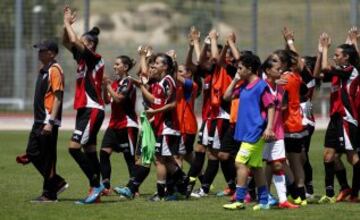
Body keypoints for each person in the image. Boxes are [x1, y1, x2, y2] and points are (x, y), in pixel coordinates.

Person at [63, 6, 105, 204]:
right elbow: (66, 41)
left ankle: (96, 185)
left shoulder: (93, 57)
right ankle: (97, 189)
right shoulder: (82, 59)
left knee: (73, 148)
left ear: (90, 45)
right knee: (89, 151)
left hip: (92, 109)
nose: (79, 41)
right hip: (85, 109)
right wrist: (67, 26)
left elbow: (73, 40)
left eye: (84, 40)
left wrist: (66, 23)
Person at [223, 52, 275, 211]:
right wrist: (235, 80)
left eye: (240, 68)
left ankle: (239, 200)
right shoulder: (243, 85)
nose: (238, 71)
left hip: (256, 131)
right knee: (256, 166)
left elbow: (271, 105)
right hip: (246, 131)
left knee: (240, 162)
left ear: (250, 68)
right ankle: (265, 200)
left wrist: (269, 127)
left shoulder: (261, 85)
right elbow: (226, 97)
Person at [316, 32, 360, 203]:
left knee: (352, 157)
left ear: (346, 57)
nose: (334, 57)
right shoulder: (338, 73)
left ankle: (355, 193)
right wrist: (321, 53)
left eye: (337, 55)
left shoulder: (351, 70)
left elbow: (327, 68)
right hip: (335, 119)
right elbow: (319, 73)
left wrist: (326, 49)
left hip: (346, 119)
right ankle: (336, 191)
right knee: (329, 156)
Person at [23, 40, 67, 202]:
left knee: (48, 158)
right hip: (39, 120)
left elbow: (58, 96)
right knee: (32, 152)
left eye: (42, 50)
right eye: (39, 50)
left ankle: (49, 194)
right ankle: (57, 182)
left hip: (47, 120)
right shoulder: (44, 69)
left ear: (52, 54)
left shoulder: (54, 70)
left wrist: (51, 121)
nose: (39, 53)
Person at [261, 56, 299, 209]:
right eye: (277, 69)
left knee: (277, 165)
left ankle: (283, 200)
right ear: (268, 71)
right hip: (262, 132)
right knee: (252, 167)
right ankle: (252, 195)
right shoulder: (262, 86)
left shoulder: (281, 86)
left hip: (277, 132)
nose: (281, 71)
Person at [100, 56, 138, 195]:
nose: (114, 66)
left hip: (127, 124)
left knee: (130, 158)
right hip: (114, 124)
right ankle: (106, 185)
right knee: (104, 153)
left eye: (117, 64)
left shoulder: (128, 81)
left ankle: (134, 189)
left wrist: (108, 85)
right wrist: (105, 86)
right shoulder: (116, 83)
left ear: (125, 67)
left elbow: (119, 98)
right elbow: (107, 101)